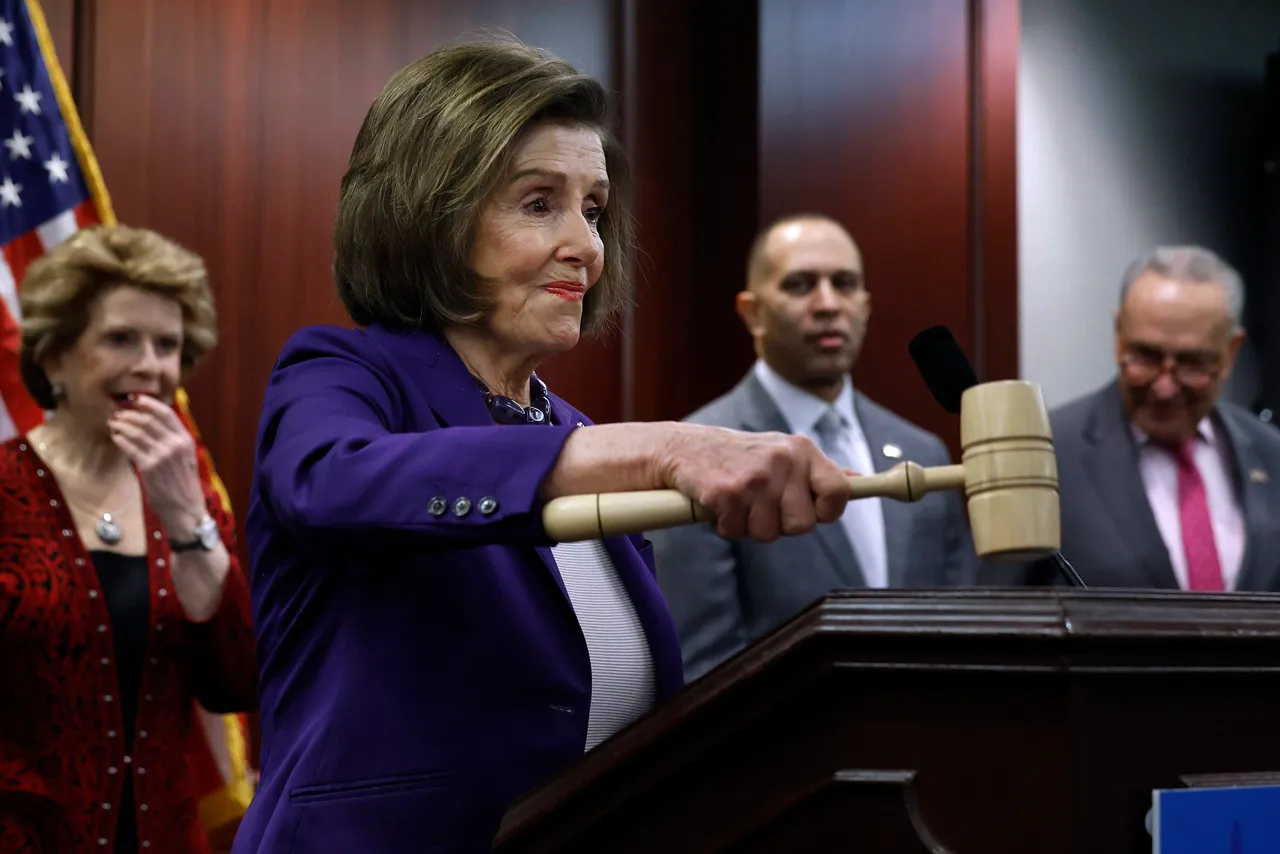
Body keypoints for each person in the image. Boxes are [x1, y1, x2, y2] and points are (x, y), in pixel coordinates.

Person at [231, 38, 854, 854]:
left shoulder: (580, 439)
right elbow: (333, 482)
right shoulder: (341, 374)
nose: (588, 248)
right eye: (538, 204)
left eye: (593, 209)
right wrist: (663, 449)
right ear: (432, 212)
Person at [0, 225, 257, 853]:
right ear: (57, 355)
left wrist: (186, 521)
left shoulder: (184, 491)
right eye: (121, 338)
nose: (150, 364)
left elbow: (235, 681)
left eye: (167, 344)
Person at [649, 213, 976, 682]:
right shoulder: (701, 457)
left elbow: (960, 627)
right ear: (752, 313)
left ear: (865, 305)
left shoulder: (920, 451)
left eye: (844, 284)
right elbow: (706, 665)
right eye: (800, 285)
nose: (828, 304)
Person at [984, 245, 1280, 591]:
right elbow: (997, 619)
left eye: (1192, 364)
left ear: (1231, 352)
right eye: (1146, 356)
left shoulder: (1271, 453)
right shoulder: (1043, 455)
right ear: (1118, 335)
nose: (1165, 387)